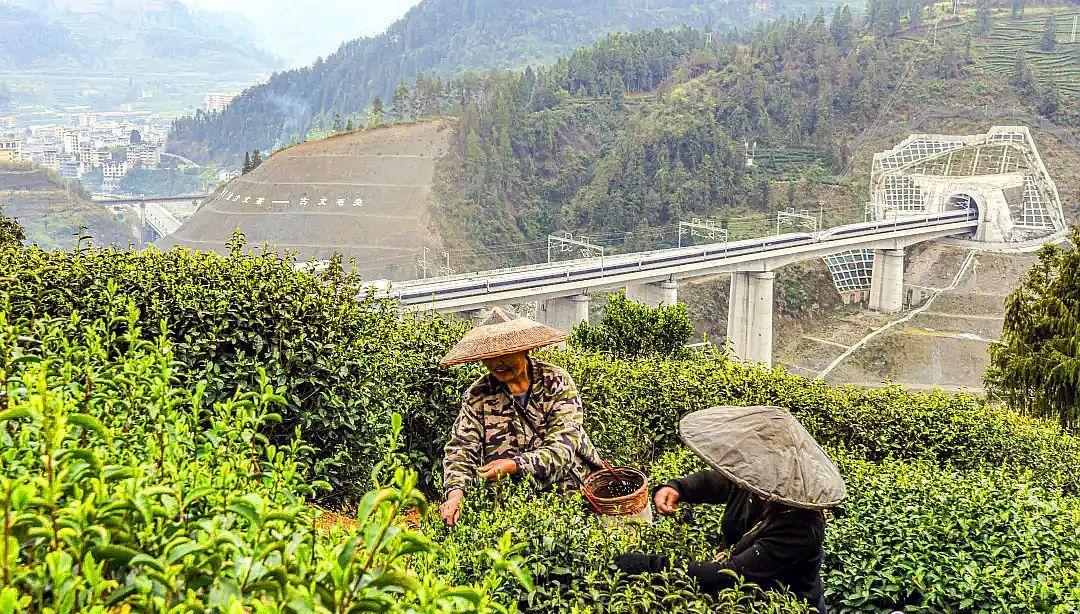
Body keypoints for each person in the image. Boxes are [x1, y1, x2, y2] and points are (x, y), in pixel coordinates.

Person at [614, 405, 847, 614]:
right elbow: (715, 482)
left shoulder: (802, 527)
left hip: (793, 605)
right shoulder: (755, 479)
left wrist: (647, 565)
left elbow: (727, 576)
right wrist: (677, 488)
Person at [438, 307, 604, 526]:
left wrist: (514, 465)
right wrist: (455, 493)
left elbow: (561, 450)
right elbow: (461, 448)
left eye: (505, 354)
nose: (497, 363)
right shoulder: (478, 395)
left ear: (525, 350)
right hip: (514, 506)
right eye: (489, 357)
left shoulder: (556, 382)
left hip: (570, 497)